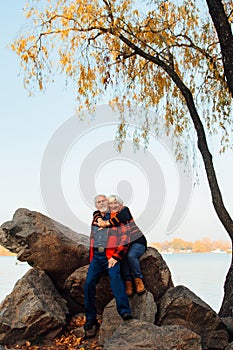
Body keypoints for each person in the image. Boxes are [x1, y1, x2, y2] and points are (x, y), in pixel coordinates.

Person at [84, 194, 133, 339]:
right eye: (98, 202)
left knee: (115, 278)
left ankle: (124, 311)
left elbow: (125, 240)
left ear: (108, 202)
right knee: (88, 284)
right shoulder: (95, 220)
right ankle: (90, 318)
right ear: (96, 206)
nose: (101, 203)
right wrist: (92, 259)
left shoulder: (118, 218)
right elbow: (92, 240)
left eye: (103, 201)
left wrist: (116, 257)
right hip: (97, 258)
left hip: (111, 256)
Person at [96, 195, 147, 297]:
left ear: (120, 204)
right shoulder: (109, 215)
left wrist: (106, 224)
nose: (113, 205)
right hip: (124, 244)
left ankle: (138, 280)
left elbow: (122, 217)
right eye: (111, 204)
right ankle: (128, 283)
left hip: (137, 241)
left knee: (131, 256)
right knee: (122, 257)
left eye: (116, 203)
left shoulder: (124, 211)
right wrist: (99, 219)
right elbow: (97, 212)